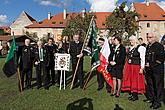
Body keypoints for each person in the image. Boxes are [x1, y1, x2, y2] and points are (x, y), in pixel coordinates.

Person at [122, 36, 146, 101]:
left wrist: (142, 68)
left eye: (132, 40)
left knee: (135, 80)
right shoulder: (131, 48)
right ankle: (133, 94)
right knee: (131, 80)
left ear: (135, 40)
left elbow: (142, 58)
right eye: (130, 40)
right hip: (130, 66)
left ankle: (135, 96)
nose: (131, 42)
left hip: (136, 66)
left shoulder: (141, 48)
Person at [144, 32, 164, 109]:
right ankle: (152, 99)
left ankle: (158, 102)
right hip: (149, 70)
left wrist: (151, 65)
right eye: (148, 37)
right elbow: (147, 57)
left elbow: (160, 59)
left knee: (157, 86)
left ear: (155, 38)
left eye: (150, 37)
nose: (148, 39)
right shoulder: (148, 46)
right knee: (150, 85)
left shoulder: (159, 46)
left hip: (157, 70)